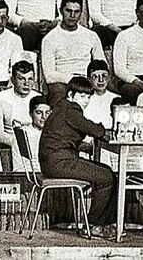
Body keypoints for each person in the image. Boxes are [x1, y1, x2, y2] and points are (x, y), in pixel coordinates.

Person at [38, 75, 116, 239]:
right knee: (106, 177)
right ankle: (93, 225)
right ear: (71, 95)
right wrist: (108, 132)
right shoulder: (71, 109)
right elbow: (94, 130)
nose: (86, 101)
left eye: (88, 97)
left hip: (54, 161)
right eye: (82, 96)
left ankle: (103, 224)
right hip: (59, 163)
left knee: (107, 171)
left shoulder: (61, 107)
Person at [40, 0, 104, 103]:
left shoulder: (91, 35)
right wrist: (74, 80)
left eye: (76, 12)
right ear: (61, 11)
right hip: (64, 83)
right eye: (68, 11)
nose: (72, 15)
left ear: (81, 13)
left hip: (87, 81)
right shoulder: (50, 38)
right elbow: (49, 75)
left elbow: (101, 64)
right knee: (57, 91)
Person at [0, 60, 38, 152]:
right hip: (12, 145)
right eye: (21, 78)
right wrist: (17, 142)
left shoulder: (38, 98)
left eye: (30, 79)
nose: (26, 83)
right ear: (13, 80)